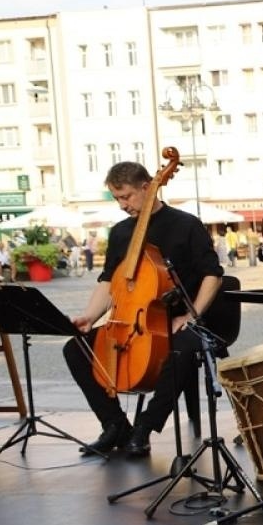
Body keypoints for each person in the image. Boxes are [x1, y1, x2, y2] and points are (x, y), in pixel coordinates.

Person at [62, 162, 223, 457]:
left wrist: (191, 315)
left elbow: (213, 275)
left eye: (126, 196)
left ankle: (144, 428)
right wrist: (90, 316)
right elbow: (109, 281)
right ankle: (115, 425)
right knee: (75, 348)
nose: (122, 205)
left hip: (180, 319)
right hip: (133, 321)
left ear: (147, 188)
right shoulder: (121, 232)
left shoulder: (186, 224)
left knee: (183, 349)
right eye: (117, 199)